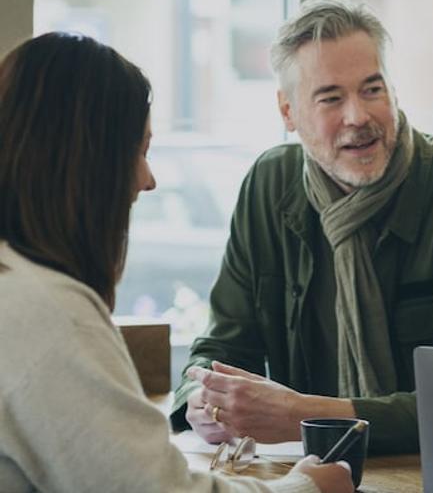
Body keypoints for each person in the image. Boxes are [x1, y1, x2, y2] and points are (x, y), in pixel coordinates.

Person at [172, 0, 433, 454]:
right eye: (331, 98)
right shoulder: (269, 184)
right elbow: (224, 346)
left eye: (372, 89)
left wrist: (303, 416)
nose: (358, 117)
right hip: (305, 474)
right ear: (288, 112)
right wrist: (204, 399)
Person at [0, 32, 353, 493]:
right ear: (89, 161)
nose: (148, 181)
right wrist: (309, 487)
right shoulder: (46, 316)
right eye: (140, 151)